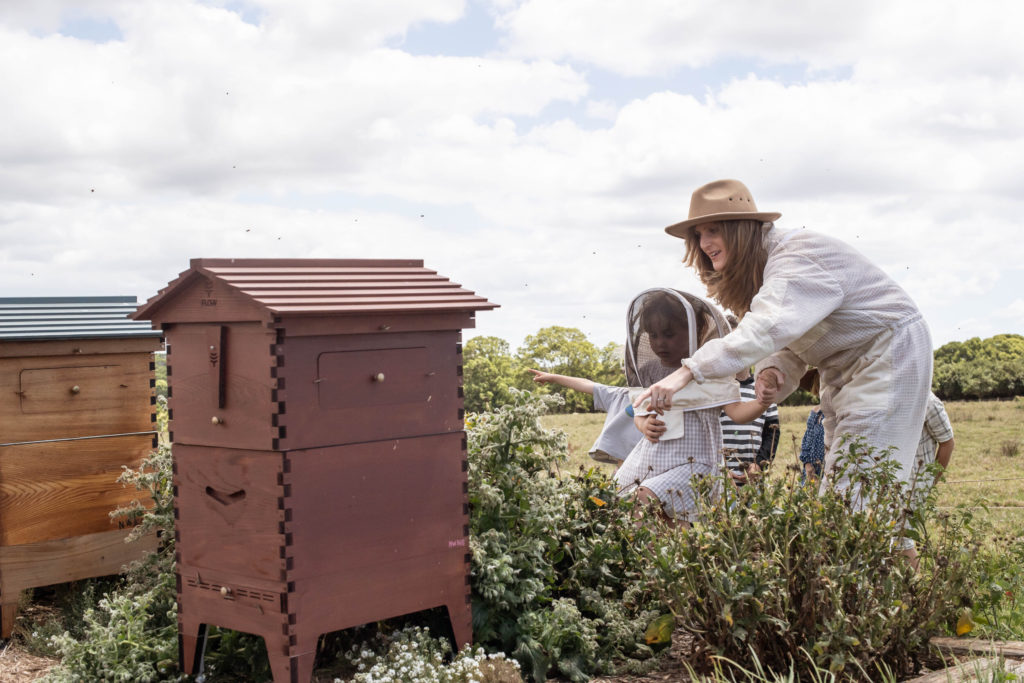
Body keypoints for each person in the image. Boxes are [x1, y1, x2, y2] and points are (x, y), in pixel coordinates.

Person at [634, 179, 933, 497]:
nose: (705, 243)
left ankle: (874, 543)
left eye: (714, 230)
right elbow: (795, 336)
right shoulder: (764, 271)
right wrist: (774, 370)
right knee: (847, 488)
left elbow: (765, 327)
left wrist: (687, 371)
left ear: (740, 228)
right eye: (699, 234)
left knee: (855, 491)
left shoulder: (795, 256)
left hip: (887, 355)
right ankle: (892, 545)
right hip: (845, 365)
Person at [534, 289, 773, 526]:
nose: (660, 343)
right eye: (653, 335)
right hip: (651, 459)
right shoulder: (648, 372)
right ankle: (662, 559)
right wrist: (644, 425)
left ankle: (664, 557)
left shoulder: (711, 374)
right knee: (614, 502)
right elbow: (640, 414)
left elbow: (737, 413)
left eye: (668, 334)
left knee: (644, 498)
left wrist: (762, 402)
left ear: (695, 331)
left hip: (694, 463)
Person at [718, 315, 780, 485]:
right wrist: (720, 469)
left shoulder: (762, 387)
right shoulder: (715, 389)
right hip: (719, 478)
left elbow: (772, 432)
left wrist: (759, 465)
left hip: (753, 479)